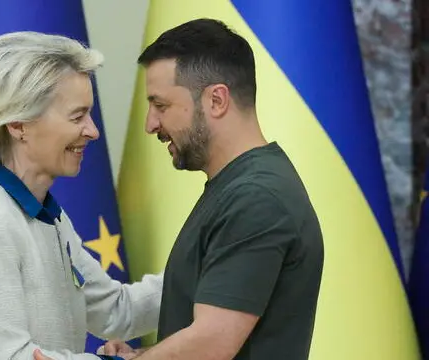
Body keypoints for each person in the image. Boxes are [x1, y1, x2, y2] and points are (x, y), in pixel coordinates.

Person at [37, 17, 324, 360]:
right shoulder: (236, 188)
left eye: (161, 105)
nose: (150, 124)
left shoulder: (256, 198)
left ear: (217, 100)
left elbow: (211, 344)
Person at [0, 31, 163, 360]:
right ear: (17, 123)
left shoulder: (47, 217)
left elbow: (116, 311)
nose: (92, 131)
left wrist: (205, 268)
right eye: (77, 116)